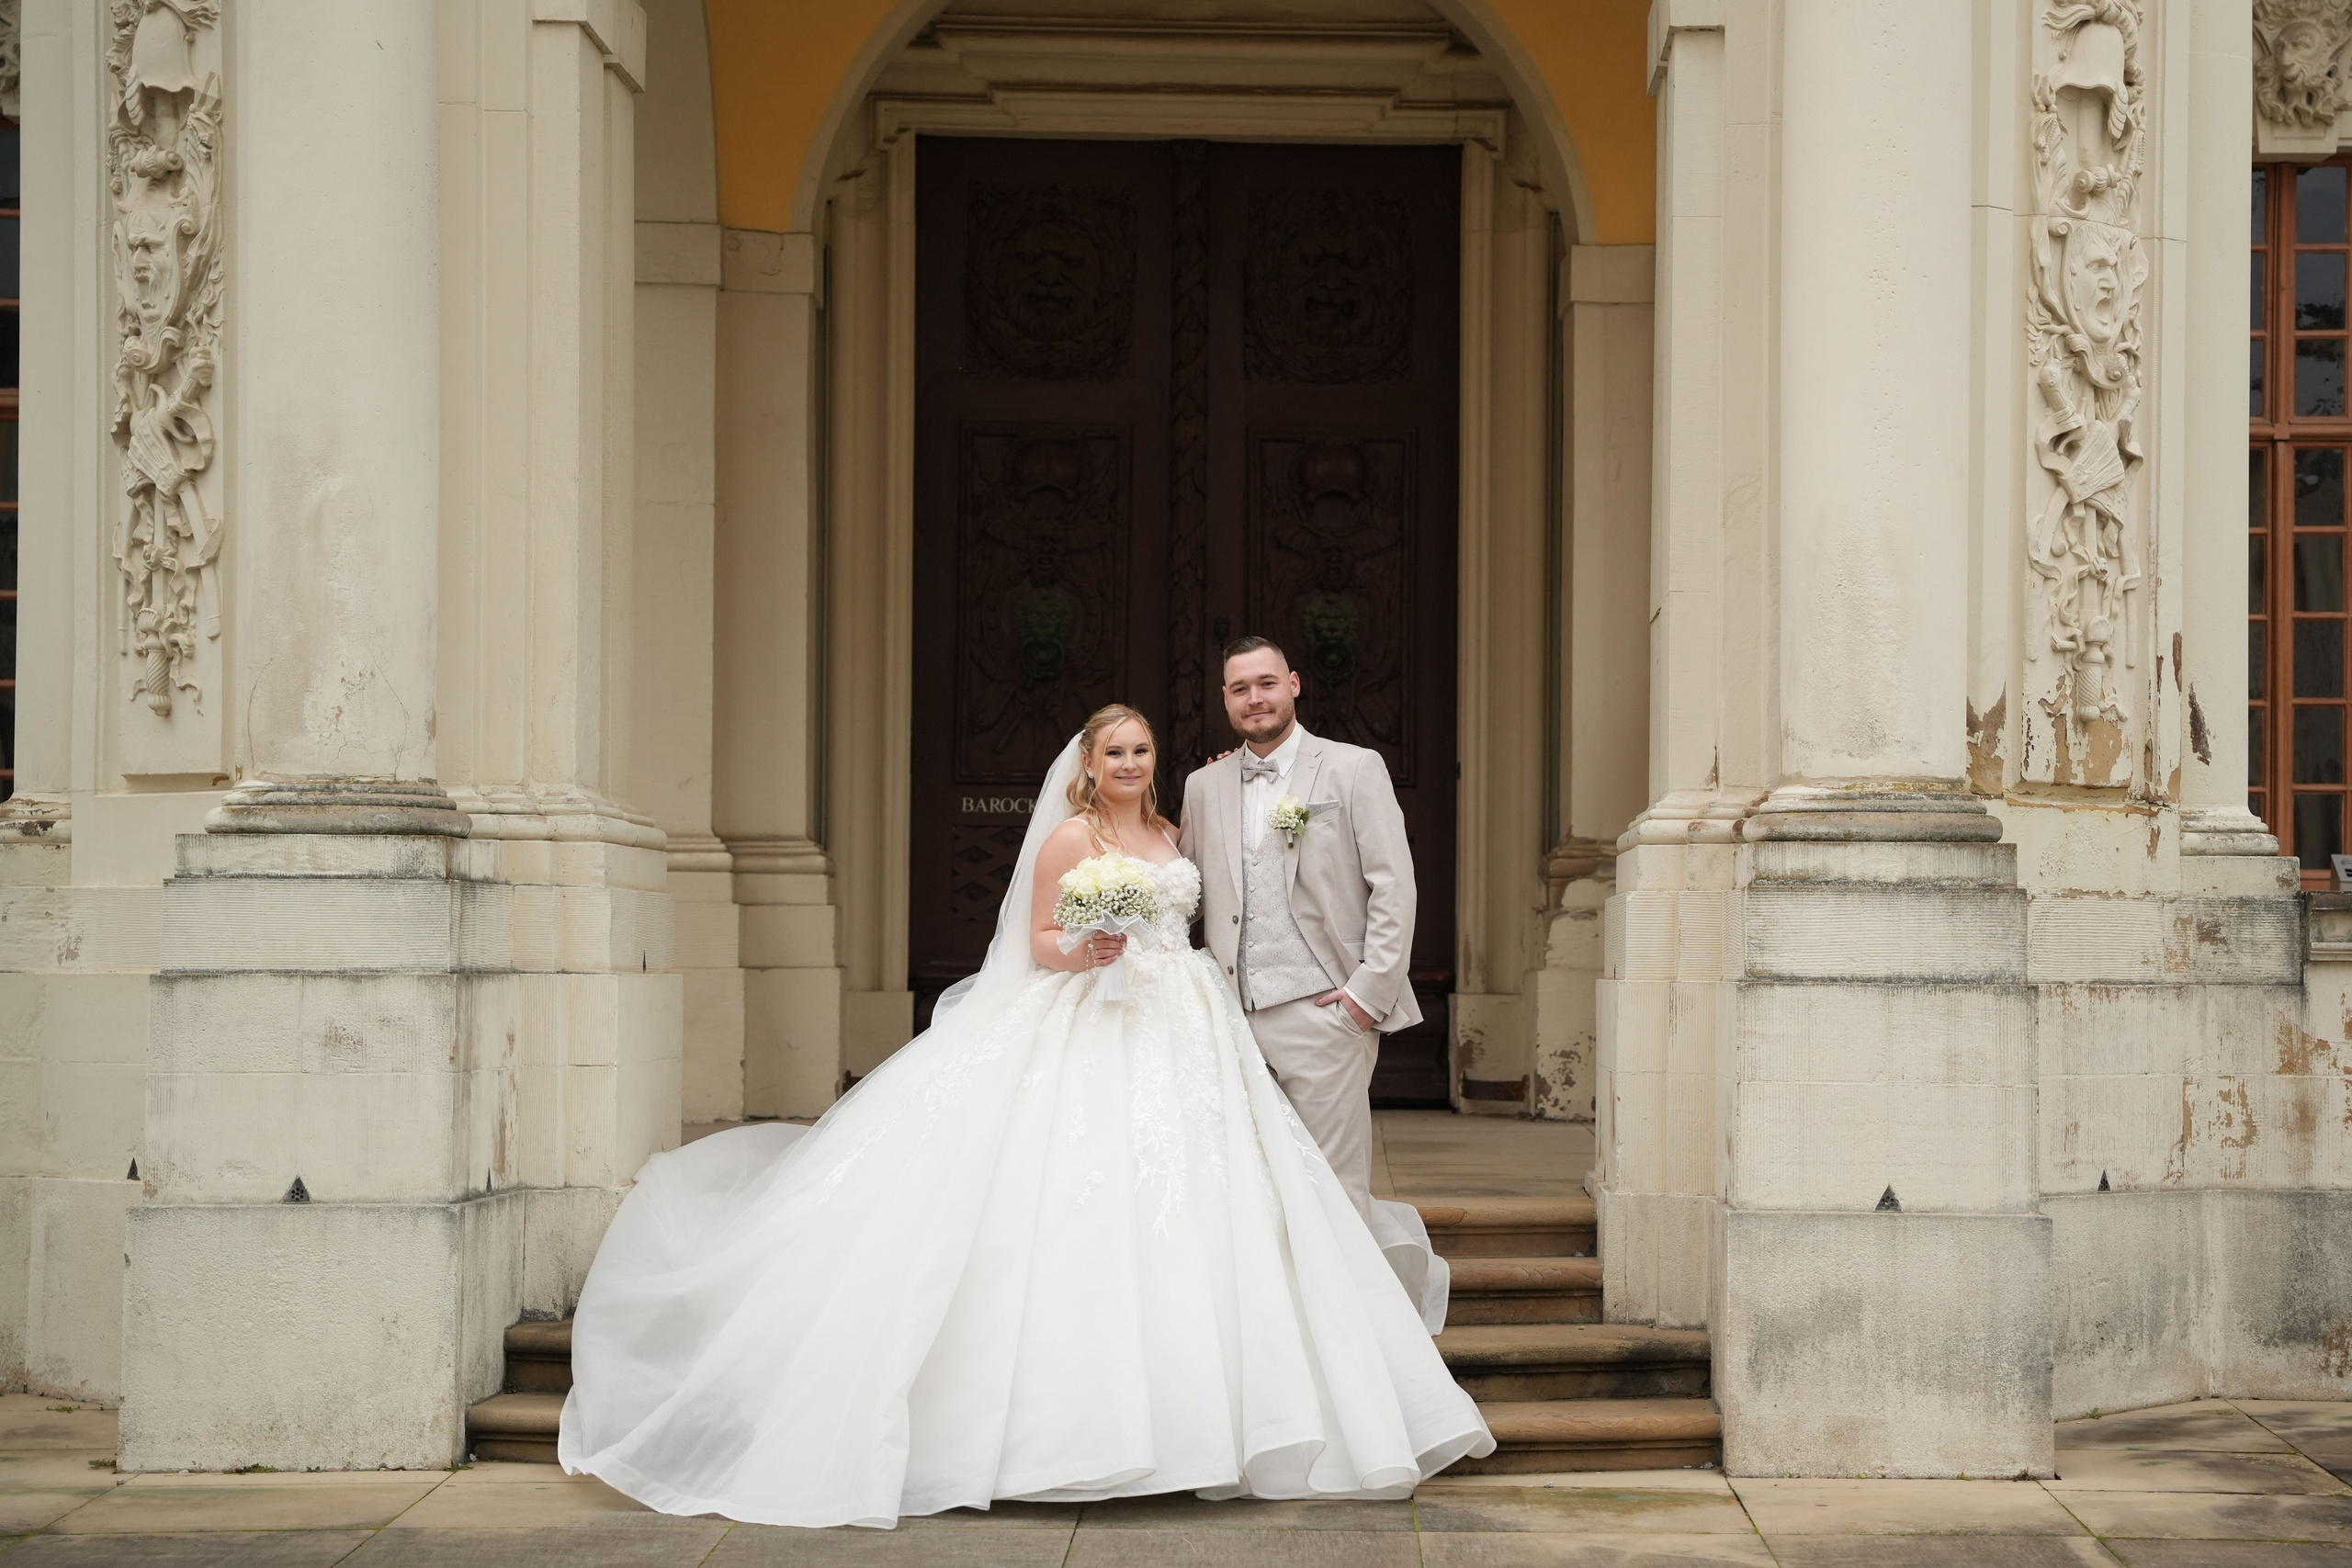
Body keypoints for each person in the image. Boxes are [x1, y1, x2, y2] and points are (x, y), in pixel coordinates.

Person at [558, 703, 1492, 1529]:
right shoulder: (1069, 842)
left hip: (1188, 1025)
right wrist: (1085, 950)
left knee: (1205, 1199)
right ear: (1088, 765)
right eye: (1114, 752)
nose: (1128, 764)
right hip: (1092, 1019)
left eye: (1140, 750)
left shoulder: (1171, 829)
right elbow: (1037, 938)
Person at [1180, 637, 1445, 1322]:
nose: (1255, 698)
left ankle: (1351, 1345)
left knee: (1331, 1191)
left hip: (1325, 1010)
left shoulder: (1355, 768)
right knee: (1247, 1186)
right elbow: (1186, 889)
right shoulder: (1203, 786)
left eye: (1267, 683)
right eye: (1240, 688)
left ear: (1294, 685)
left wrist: (1365, 996)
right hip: (1231, 1019)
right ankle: (1278, 1343)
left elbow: (1395, 885)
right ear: (1226, 700)